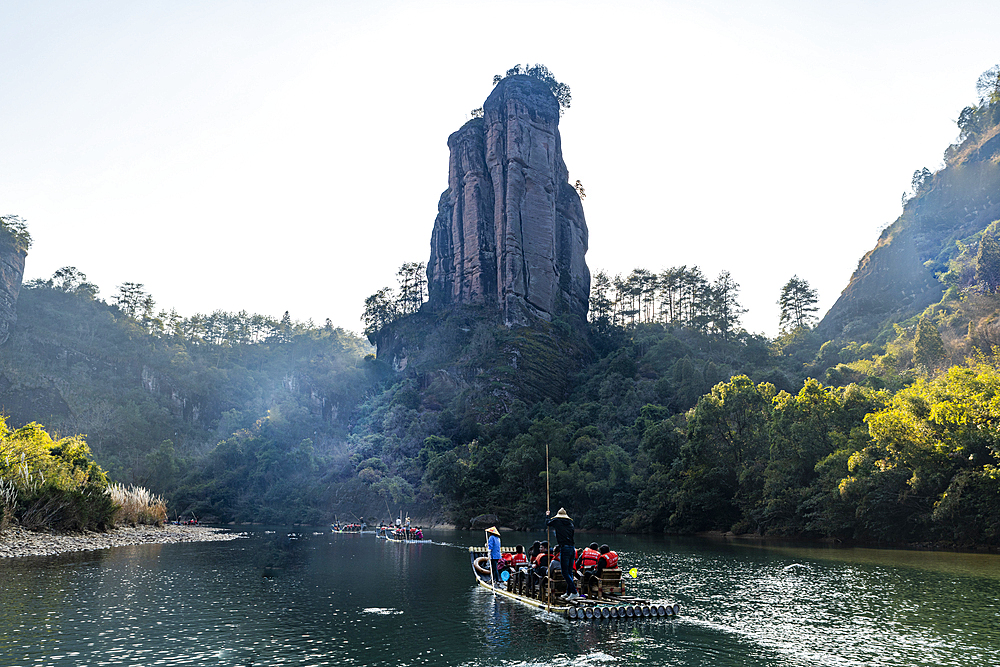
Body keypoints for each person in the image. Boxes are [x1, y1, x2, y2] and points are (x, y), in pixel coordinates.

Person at [546, 507, 579, 600]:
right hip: (572, 548)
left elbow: (548, 523)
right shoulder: (570, 524)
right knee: (569, 571)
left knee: (565, 572)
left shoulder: (557, 522)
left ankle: (574, 591)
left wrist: (547, 515)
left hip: (565, 548)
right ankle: (569, 592)